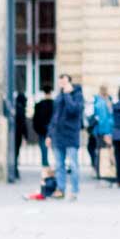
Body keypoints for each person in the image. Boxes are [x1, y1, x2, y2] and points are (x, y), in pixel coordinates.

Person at [46, 73, 84, 201]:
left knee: (73, 164)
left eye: (64, 82)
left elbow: (73, 110)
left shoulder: (77, 95)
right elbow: (54, 117)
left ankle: (74, 191)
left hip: (71, 134)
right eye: (60, 82)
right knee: (59, 165)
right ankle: (60, 189)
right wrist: (49, 135)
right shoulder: (58, 97)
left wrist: (68, 95)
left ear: (69, 82)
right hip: (58, 135)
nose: (62, 84)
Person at [86, 84, 113, 183]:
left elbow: (101, 119)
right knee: (105, 151)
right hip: (105, 131)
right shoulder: (108, 101)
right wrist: (109, 132)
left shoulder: (98, 101)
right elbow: (109, 119)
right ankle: (104, 171)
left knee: (100, 151)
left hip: (99, 131)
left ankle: (100, 171)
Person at [31, 88, 55, 172]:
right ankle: (52, 167)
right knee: (54, 150)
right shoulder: (54, 104)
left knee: (44, 150)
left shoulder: (40, 104)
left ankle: (45, 167)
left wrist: (38, 129)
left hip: (43, 130)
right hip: (51, 130)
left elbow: (35, 119)